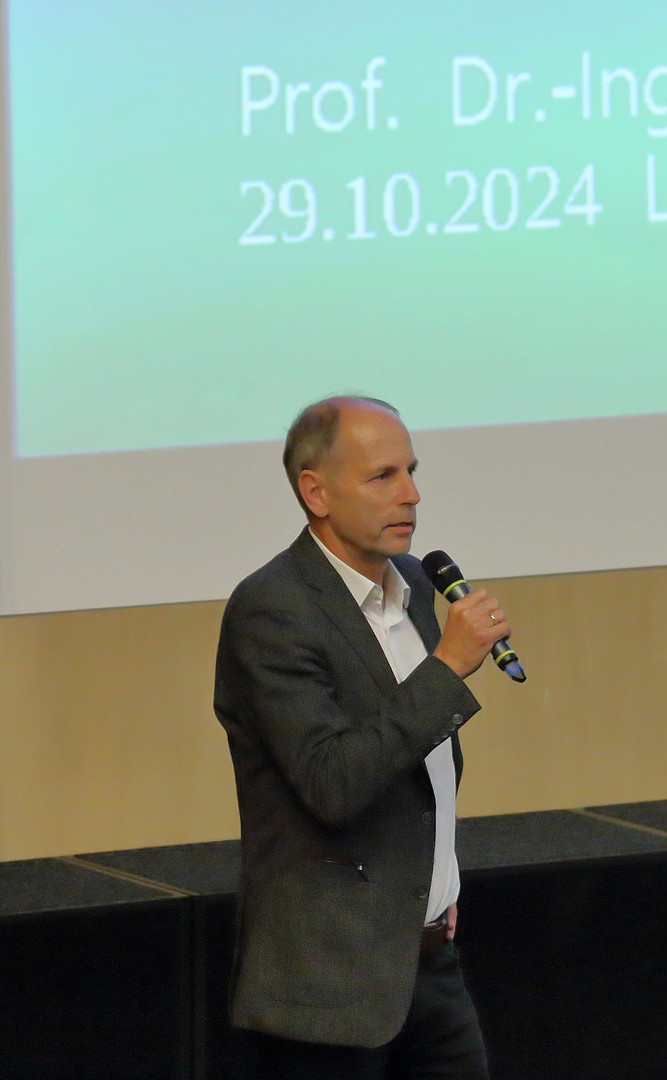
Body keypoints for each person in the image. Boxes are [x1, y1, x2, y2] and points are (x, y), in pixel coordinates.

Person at [214, 396, 510, 1077]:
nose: (411, 494)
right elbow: (332, 783)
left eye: (411, 471)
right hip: (330, 982)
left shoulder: (415, 586)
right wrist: (447, 668)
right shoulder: (273, 609)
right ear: (315, 492)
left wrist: (435, 884)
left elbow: (420, 767)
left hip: (429, 962)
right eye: (383, 476)